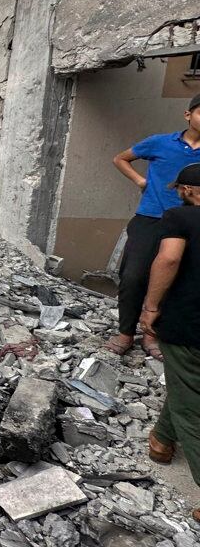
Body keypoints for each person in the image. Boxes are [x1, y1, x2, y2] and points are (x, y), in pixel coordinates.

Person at [110, 95, 200, 358]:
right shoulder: (159, 142)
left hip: (190, 223)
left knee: (175, 279)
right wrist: (140, 181)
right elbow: (120, 158)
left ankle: (152, 335)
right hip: (151, 217)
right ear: (187, 115)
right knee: (133, 275)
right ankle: (126, 332)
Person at [138, 162, 200, 520]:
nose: (177, 193)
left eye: (180, 188)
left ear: (190, 191)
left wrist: (150, 307)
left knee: (191, 407)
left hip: (189, 324)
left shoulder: (180, 217)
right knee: (185, 380)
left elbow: (169, 257)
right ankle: (161, 442)